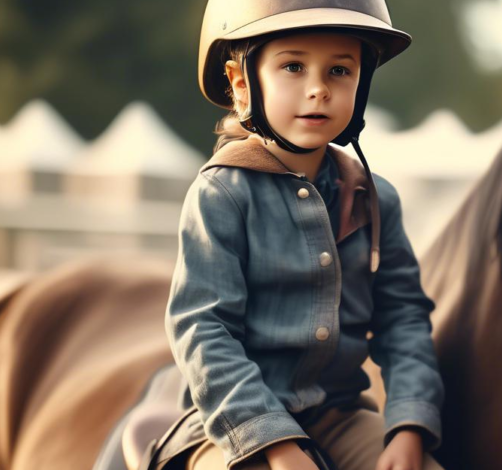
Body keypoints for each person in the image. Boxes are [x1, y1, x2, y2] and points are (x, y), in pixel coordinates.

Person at [164, 2, 445, 469]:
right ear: (241, 84)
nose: (318, 89)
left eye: (339, 70)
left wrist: (409, 423)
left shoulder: (378, 199)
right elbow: (203, 329)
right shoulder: (220, 195)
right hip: (235, 421)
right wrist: (273, 442)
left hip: (338, 415)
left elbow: (403, 320)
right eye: (293, 66)